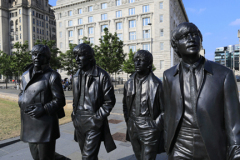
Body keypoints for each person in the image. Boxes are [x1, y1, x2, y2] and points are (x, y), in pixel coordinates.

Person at [163, 22, 240, 160]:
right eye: (185, 36)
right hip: (179, 147)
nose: (191, 38)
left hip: (211, 147)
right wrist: (167, 142)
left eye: (195, 35)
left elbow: (234, 122)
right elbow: (168, 111)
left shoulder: (224, 74)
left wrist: (236, 152)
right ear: (175, 46)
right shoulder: (168, 76)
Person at [18, 45, 66, 160]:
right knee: (36, 156)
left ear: (47, 58)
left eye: (41, 55)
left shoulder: (52, 76)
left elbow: (60, 100)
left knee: (45, 157)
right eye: (34, 54)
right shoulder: (25, 75)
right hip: (29, 123)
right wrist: (21, 100)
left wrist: (44, 108)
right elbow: (21, 92)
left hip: (45, 125)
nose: (37, 57)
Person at [71, 43, 116, 160]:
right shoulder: (75, 76)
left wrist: (96, 118)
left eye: (80, 56)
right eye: (75, 56)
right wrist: (74, 116)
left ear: (90, 56)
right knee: (88, 156)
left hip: (93, 120)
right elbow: (75, 100)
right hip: (79, 121)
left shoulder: (102, 75)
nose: (76, 59)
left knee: (87, 157)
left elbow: (109, 101)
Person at [122, 50, 164, 160]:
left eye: (141, 60)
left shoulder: (157, 84)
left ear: (149, 64)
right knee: (138, 156)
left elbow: (165, 109)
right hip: (133, 125)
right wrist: (129, 121)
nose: (137, 63)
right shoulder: (129, 83)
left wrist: (155, 126)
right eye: (136, 60)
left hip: (149, 126)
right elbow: (125, 105)